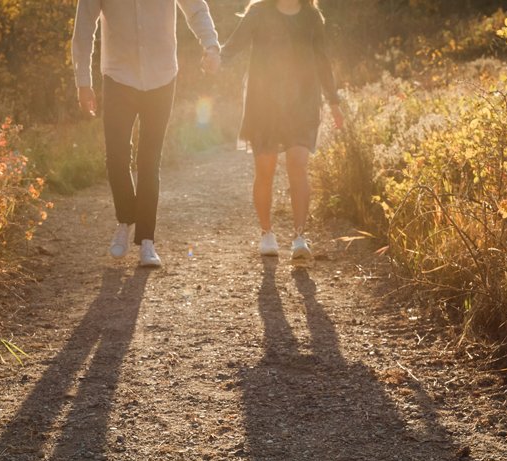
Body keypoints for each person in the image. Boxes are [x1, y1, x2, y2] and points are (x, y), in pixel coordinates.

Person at [72, 0, 223, 268]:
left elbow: (196, 9)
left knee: (149, 161)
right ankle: (125, 218)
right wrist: (83, 82)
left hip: (162, 77)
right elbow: (84, 28)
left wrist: (210, 45)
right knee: (116, 158)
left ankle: (146, 240)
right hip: (118, 77)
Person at [221, 0, 343, 261]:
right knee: (265, 170)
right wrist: (215, 59)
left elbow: (322, 60)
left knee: (297, 163)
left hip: (303, 103)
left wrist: (334, 101)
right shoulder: (258, 13)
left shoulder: (312, 16)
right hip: (264, 104)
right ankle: (267, 233)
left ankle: (300, 237)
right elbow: (233, 45)